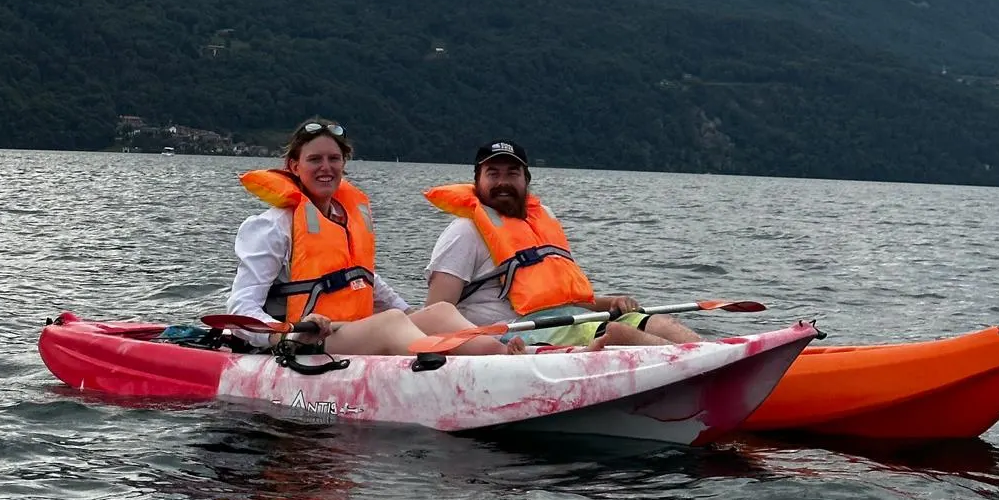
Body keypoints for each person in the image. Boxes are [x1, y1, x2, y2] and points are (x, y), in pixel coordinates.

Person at [228, 118, 515, 356]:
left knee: (438, 311)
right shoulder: (270, 227)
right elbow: (241, 308)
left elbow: (365, 280)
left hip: (353, 331)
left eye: (334, 159)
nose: (325, 168)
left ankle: (501, 353)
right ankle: (454, 369)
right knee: (390, 323)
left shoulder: (345, 220)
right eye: (314, 159)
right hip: (305, 338)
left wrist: (406, 310)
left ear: (344, 163)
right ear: (293, 166)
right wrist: (283, 336)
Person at [424, 140, 702, 349]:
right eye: (493, 174)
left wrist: (611, 301)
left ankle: (714, 360)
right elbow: (436, 312)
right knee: (618, 334)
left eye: (512, 173)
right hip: (512, 336)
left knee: (659, 323)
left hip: (569, 319)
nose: (503, 182)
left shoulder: (544, 221)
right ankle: (697, 374)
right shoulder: (464, 232)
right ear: (477, 181)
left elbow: (563, 299)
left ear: (526, 179)